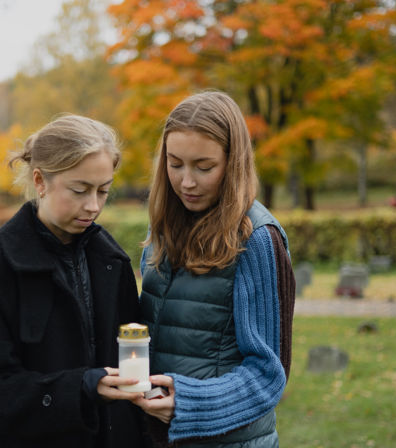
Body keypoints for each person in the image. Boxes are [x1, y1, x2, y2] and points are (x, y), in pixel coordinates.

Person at [0, 114, 150, 447]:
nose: (93, 205)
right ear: (40, 181)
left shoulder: (112, 263)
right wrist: (79, 388)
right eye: (80, 190)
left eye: (104, 191)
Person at [132, 91, 296, 447]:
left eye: (204, 167)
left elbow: (269, 374)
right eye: (175, 164)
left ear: (232, 162)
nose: (187, 182)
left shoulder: (258, 238)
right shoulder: (161, 228)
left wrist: (189, 404)